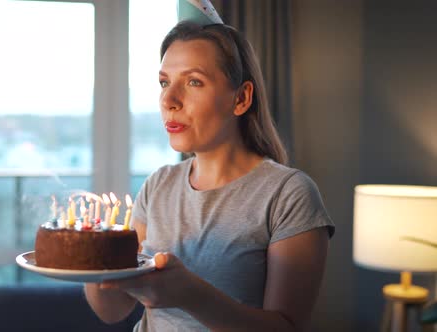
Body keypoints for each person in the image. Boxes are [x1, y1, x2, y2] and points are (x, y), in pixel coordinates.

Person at [84, 1, 335, 331]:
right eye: (164, 82)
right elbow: (113, 310)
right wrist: (91, 264)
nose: (168, 100)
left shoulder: (289, 195)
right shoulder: (158, 186)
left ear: (241, 98)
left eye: (193, 82)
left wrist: (191, 294)